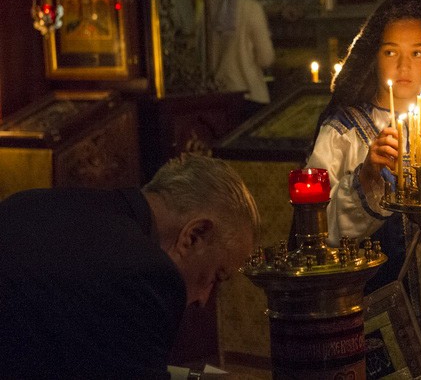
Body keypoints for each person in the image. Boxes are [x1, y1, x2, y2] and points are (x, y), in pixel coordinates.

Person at [305, 0, 421, 364]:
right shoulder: (344, 132)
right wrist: (369, 176)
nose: (404, 65)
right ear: (373, 55)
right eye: (391, 52)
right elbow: (319, 226)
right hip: (372, 310)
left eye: (418, 52)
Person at [0, 154, 259, 378]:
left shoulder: (28, 202)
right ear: (194, 235)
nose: (204, 299)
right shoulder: (146, 275)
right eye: (215, 276)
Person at [209, 0, 276, 114]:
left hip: (215, 97)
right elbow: (266, 58)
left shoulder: (206, 8)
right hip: (250, 94)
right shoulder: (251, 7)